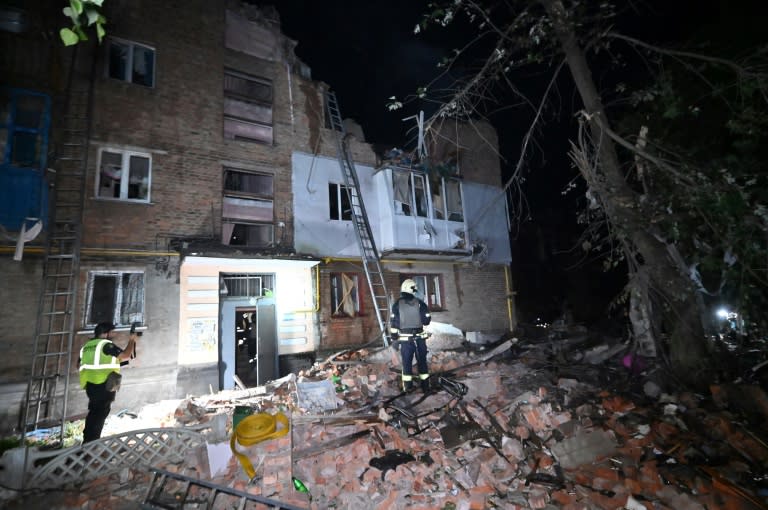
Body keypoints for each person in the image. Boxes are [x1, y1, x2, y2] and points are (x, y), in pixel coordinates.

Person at [79, 322, 138, 443]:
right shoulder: (105, 345)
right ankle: (92, 444)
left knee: (94, 413)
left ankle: (87, 440)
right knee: (100, 415)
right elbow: (126, 355)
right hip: (103, 385)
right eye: (112, 332)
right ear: (106, 333)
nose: (114, 334)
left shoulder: (87, 346)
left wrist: (115, 364)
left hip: (90, 384)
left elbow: (82, 364)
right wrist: (132, 339)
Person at [390, 279, 431, 392]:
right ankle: (426, 386)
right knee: (422, 362)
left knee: (407, 364)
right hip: (420, 341)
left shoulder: (397, 304)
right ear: (412, 290)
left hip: (406, 341)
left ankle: (408, 388)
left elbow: (394, 324)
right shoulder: (420, 303)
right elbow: (426, 320)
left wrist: (394, 337)